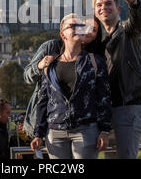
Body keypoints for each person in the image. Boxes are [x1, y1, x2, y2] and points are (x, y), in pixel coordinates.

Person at [30, 14, 112, 159]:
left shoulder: (94, 62)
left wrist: (104, 131)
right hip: (55, 133)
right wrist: (38, 134)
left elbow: (104, 98)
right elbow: (43, 101)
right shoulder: (50, 65)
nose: (79, 29)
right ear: (63, 34)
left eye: (81, 26)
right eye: (73, 26)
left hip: (86, 130)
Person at [93, 0, 141, 159]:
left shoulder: (127, 32)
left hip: (128, 109)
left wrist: (134, 3)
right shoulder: (99, 44)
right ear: (95, 12)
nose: (104, 7)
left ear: (118, 9)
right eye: (99, 5)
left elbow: (137, 24)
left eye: (108, 3)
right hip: (106, 112)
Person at [23, 16, 103, 138]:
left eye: (93, 30)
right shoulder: (52, 46)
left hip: (80, 127)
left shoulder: (94, 59)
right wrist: (40, 65)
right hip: (43, 123)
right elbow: (27, 75)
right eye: (83, 26)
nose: (86, 31)